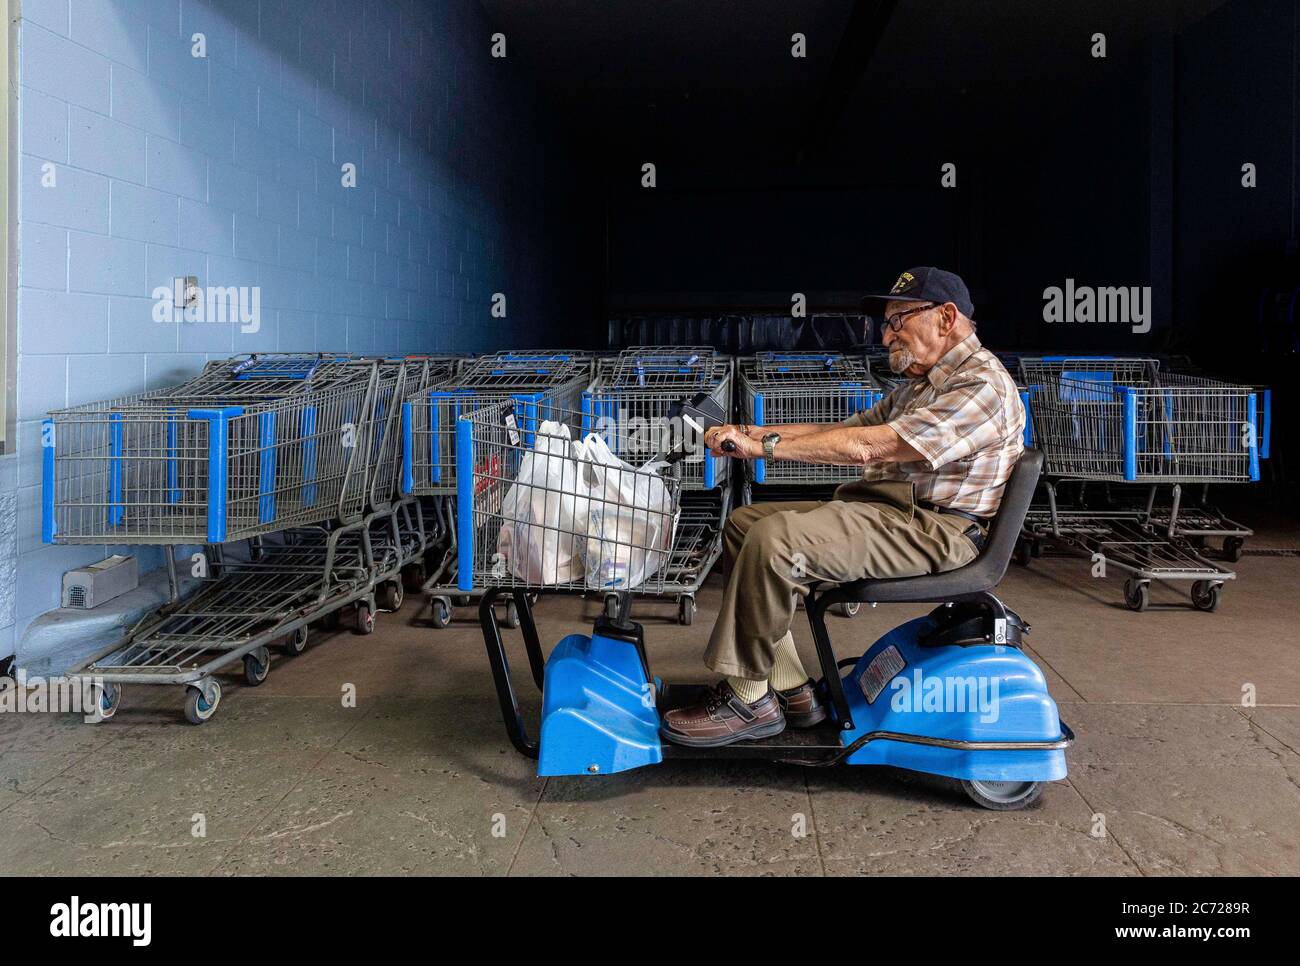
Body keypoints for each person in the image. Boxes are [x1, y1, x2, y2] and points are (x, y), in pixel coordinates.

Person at [660, 267, 1026, 747]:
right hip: (895, 513)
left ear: (946, 317)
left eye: (899, 320)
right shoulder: (923, 384)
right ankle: (791, 690)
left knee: (776, 542)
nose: (885, 332)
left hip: (939, 532)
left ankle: (749, 701)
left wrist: (763, 450)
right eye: (887, 323)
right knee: (747, 524)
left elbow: (868, 447)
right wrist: (750, 434)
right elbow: (842, 429)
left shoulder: (979, 387)